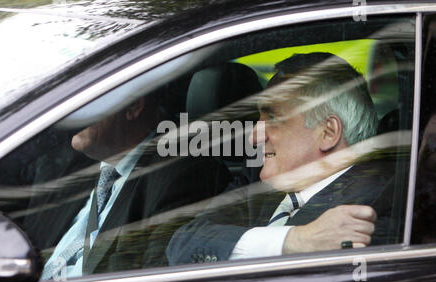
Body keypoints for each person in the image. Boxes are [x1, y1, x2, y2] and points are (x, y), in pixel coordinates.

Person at [166, 52, 396, 265]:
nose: (254, 136)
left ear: (327, 132)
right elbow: (184, 241)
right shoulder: (257, 182)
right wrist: (294, 241)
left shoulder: (383, 202)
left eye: (273, 118)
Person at [22, 88, 231, 279]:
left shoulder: (183, 174)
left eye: (88, 98)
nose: (73, 109)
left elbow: (153, 271)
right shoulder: (60, 167)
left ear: (133, 106)